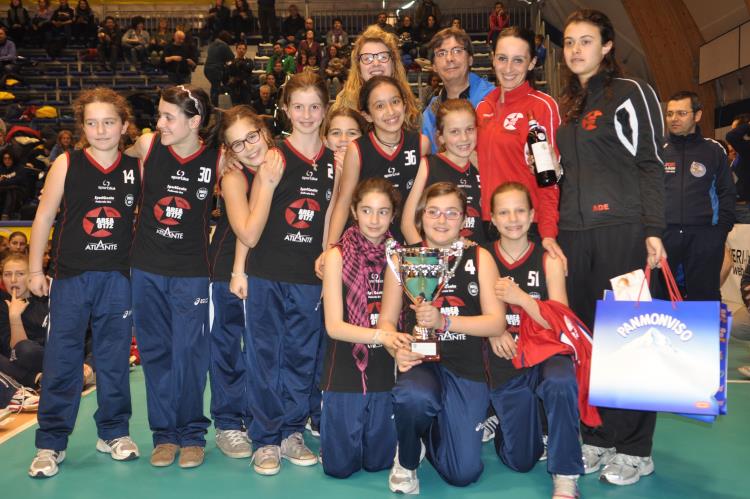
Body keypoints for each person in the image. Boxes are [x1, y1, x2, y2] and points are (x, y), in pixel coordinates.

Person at [556, 9, 666, 486]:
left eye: (586, 40)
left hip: (622, 231)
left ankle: (636, 448)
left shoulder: (630, 92)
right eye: (569, 42)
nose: (575, 49)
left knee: (631, 339)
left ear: (606, 47)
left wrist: (653, 229)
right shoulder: (568, 106)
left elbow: (651, 162)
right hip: (575, 236)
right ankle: (598, 436)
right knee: (588, 342)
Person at [27, 87, 141, 478]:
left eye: (109, 122)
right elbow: (44, 217)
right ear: (82, 127)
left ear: (124, 126)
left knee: (113, 359)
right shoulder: (66, 163)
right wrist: (35, 270)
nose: (101, 129)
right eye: (92, 123)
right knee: (62, 359)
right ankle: (50, 442)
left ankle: (114, 432)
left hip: (117, 278)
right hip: (70, 276)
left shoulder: (136, 168)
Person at [381, 181, 504, 493]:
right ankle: (407, 459)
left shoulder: (480, 257)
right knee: (413, 397)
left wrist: (445, 321)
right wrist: (396, 350)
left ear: (463, 220)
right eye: (434, 212)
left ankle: (430, 432)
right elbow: (386, 322)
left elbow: (496, 323)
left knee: (463, 474)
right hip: (421, 362)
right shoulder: (403, 259)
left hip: (466, 368)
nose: (441, 220)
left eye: (451, 213)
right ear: (421, 217)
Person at [243, 72, 336, 476]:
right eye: (298, 106)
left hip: (308, 278)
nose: (307, 114)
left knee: (301, 356)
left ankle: (291, 432)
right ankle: (265, 438)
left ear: (325, 109)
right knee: (265, 355)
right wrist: (240, 270)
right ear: (285, 109)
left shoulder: (335, 161)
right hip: (267, 272)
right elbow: (252, 218)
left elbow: (331, 218)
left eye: (314, 106)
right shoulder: (274, 156)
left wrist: (327, 261)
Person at [125, 85, 218, 469]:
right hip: (146, 268)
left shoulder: (218, 157)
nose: (159, 123)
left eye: (168, 117)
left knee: (190, 355)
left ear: (194, 122)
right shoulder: (148, 145)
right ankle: (164, 434)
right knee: (156, 354)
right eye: (159, 115)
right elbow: (111, 150)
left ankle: (192, 434)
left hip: (191, 272)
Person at [485, 182, 584, 499]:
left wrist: (523, 299)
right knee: (520, 461)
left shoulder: (549, 258)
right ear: (493, 218)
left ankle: (566, 474)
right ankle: (500, 420)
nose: (512, 219)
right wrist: (494, 330)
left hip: (545, 352)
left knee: (561, 381)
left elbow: (561, 322)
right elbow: (471, 309)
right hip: (507, 358)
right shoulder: (483, 257)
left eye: (519, 211)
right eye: (504, 212)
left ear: (531, 215)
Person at [320, 177, 411, 478]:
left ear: (393, 216)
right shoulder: (336, 256)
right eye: (367, 210)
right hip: (345, 369)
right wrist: (382, 335)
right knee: (339, 468)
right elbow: (334, 327)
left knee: (378, 463)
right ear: (354, 212)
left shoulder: (401, 258)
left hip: (385, 368)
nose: (374, 220)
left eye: (383, 212)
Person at [207, 105, 283, 460]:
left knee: (266, 349)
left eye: (251, 137)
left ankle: (264, 417)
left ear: (264, 132)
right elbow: (248, 233)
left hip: (273, 268)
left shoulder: (283, 159)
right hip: (228, 270)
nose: (248, 148)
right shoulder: (234, 176)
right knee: (227, 347)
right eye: (237, 144)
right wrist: (264, 182)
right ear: (228, 150)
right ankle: (228, 422)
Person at [476, 26, 563, 265]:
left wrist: (548, 233)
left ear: (532, 62)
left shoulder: (541, 107)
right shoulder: (484, 106)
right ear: (493, 59)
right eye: (502, 58)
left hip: (526, 226)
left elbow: (548, 178)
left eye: (518, 60)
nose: (508, 68)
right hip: (490, 224)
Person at [327, 75, 429, 248]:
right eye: (380, 106)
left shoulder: (421, 144)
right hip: (367, 245)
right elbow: (344, 202)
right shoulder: (357, 150)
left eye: (395, 101)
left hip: (407, 243)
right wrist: (330, 247)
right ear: (367, 115)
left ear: (404, 104)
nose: (390, 111)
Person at [662, 90, 735, 300]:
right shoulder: (657, 149)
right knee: (661, 300)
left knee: (704, 299)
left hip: (704, 237)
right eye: (670, 113)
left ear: (697, 115)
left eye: (682, 113)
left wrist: (719, 232)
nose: (674, 119)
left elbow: (727, 193)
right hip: (665, 236)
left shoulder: (713, 150)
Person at [404, 99, 484, 244]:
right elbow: (407, 225)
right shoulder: (428, 165)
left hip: (480, 253)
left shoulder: (486, 166)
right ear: (440, 137)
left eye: (469, 129)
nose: (464, 138)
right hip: (437, 255)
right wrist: (428, 256)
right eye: (454, 132)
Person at [422, 27, 494, 154]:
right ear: (434, 66)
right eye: (441, 53)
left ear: (470, 59)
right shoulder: (431, 113)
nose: (449, 58)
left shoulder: (493, 99)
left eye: (457, 51)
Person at [333, 25, 418, 125]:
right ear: (358, 66)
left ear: (393, 62)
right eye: (367, 58)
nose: (376, 63)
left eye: (383, 57)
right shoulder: (343, 102)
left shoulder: (408, 100)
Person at [0, 254, 47, 388]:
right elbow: (16, 353)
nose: (13, 280)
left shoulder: (46, 299)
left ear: (31, 276)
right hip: (20, 363)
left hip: (49, 356)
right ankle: (38, 380)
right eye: (7, 274)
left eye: (20, 274)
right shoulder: (2, 306)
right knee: (23, 349)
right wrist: (14, 317)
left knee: (27, 349)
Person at [727, 113, 750, 223]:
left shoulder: (747, 149)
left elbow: (731, 136)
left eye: (735, 129)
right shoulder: (739, 154)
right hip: (735, 206)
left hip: (745, 208)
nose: (733, 131)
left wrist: (748, 125)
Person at [204, 30, 235, 106]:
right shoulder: (224, 45)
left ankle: (212, 104)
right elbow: (231, 58)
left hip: (207, 69)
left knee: (214, 86)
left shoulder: (212, 44)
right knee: (216, 88)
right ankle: (214, 105)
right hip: (215, 70)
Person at [0, 151, 27, 220]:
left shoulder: (20, 168)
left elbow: (16, 181)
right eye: (5, 159)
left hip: (19, 191)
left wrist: (3, 181)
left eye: (9, 158)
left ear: (13, 159)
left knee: (11, 190)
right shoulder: (1, 168)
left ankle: (5, 215)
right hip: (3, 190)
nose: (7, 161)